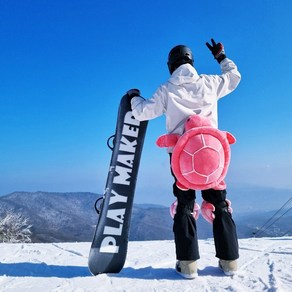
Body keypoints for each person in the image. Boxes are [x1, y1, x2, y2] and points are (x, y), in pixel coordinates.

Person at [127, 39, 241, 278]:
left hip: (182, 160)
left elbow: (142, 112)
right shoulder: (209, 83)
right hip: (213, 157)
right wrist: (221, 56)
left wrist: (134, 97)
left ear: (171, 65)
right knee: (220, 204)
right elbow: (234, 77)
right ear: (191, 61)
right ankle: (229, 262)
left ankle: (188, 264)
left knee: (185, 205)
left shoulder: (167, 89)